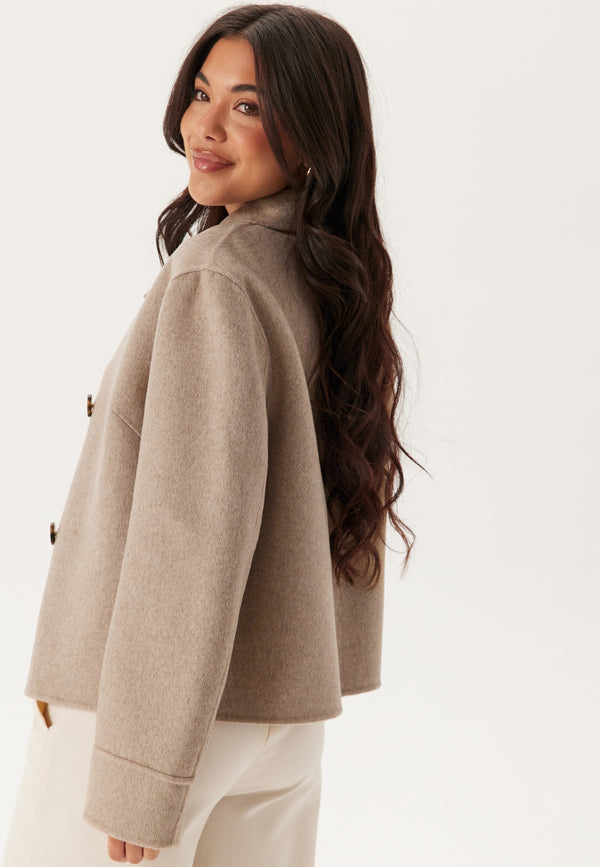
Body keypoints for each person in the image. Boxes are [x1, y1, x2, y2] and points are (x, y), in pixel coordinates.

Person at [2, 4, 421, 865]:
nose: (206, 126)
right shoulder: (325, 272)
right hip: (281, 721)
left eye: (249, 105)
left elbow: (189, 536)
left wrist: (141, 767)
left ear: (313, 132)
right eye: (202, 94)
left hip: (154, 721)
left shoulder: (215, 280)